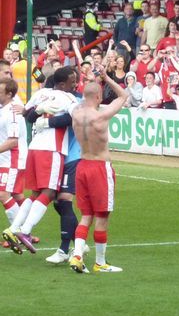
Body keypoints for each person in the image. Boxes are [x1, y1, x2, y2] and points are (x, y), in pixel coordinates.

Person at [3, 68, 78, 254]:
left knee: (36, 193)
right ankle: (26, 231)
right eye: (73, 81)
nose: (75, 84)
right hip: (52, 149)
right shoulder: (68, 98)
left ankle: (13, 229)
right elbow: (75, 117)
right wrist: (51, 122)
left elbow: (27, 115)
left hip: (34, 147)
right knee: (50, 192)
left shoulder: (41, 94)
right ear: (62, 84)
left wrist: (39, 114)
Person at [68, 70, 129, 274]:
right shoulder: (101, 114)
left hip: (82, 164)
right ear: (98, 97)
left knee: (86, 215)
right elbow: (123, 96)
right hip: (99, 166)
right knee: (102, 216)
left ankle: (77, 255)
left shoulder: (76, 112)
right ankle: (100, 262)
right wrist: (107, 78)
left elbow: (79, 99)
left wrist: (90, 81)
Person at [0, 80, 27, 240]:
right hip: (3, 160)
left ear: (9, 94)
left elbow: (13, 140)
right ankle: (22, 230)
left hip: (10, 161)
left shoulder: (12, 112)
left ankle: (19, 232)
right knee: (14, 195)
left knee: (3, 195)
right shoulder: (4, 110)